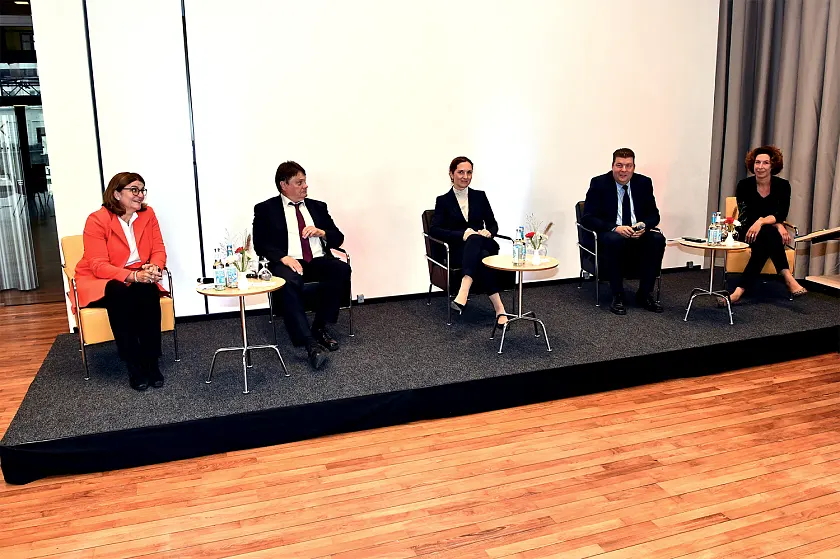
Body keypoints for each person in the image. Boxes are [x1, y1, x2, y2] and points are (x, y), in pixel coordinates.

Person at [253, 161, 350, 371]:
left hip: (316, 260)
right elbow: (260, 244)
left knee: (341, 269)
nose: (305, 186)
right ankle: (309, 343)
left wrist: (322, 232)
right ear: (283, 185)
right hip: (287, 261)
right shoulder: (266, 209)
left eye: (305, 181)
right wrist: (283, 257)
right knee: (288, 280)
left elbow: (338, 238)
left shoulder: (318, 207)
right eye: (299, 182)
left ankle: (319, 326)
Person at [74, 172, 167, 391]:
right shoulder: (97, 219)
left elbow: (158, 248)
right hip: (102, 280)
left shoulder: (148, 214)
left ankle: (151, 361)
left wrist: (154, 267)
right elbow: (97, 264)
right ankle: (134, 365)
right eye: (134, 190)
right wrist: (133, 276)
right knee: (118, 293)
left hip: (137, 274)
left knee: (148, 291)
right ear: (116, 194)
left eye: (142, 190)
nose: (140, 195)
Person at [581, 148, 666, 315]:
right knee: (616, 240)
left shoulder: (644, 183)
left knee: (657, 239)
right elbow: (588, 218)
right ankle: (617, 295)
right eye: (619, 165)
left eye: (628, 166)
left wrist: (643, 226)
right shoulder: (599, 183)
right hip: (610, 233)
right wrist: (615, 228)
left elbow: (654, 216)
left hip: (637, 233)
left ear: (634, 167)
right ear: (612, 166)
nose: (623, 170)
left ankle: (644, 294)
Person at [430, 156, 509, 325]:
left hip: (484, 241)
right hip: (460, 249)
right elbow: (434, 229)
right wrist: (461, 235)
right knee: (482, 257)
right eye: (461, 172)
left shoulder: (480, 196)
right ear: (451, 174)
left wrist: (489, 231)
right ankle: (500, 310)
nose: (465, 176)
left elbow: (493, 224)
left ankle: (464, 288)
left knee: (478, 241)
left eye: (469, 172)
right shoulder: (443, 200)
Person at [729, 146, 806, 303]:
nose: (760, 167)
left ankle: (738, 291)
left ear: (772, 165)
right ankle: (787, 276)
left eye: (765, 163)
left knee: (765, 240)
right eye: (757, 162)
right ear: (752, 164)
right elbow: (746, 216)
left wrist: (763, 221)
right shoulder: (743, 185)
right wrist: (776, 224)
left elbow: (781, 213)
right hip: (747, 230)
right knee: (770, 235)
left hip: (766, 232)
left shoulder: (783, 186)